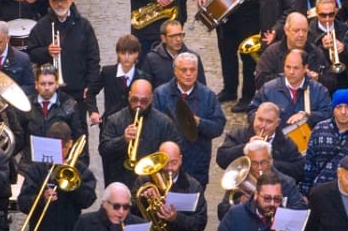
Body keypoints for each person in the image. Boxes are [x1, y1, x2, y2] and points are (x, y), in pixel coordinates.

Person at [25, 0, 101, 129]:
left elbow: (93, 58)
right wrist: (46, 51)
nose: (60, 4)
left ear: (71, 0)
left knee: (79, 131)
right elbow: (31, 53)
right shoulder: (41, 26)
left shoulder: (84, 26)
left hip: (78, 90)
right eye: (56, 1)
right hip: (52, 92)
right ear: (50, 3)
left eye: (63, 0)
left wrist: (91, 86)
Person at [18, 122, 98, 231]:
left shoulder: (79, 169)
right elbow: (23, 203)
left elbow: (88, 200)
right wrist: (41, 198)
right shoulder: (37, 169)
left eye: (63, 147)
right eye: (55, 147)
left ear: (71, 144)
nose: (59, 152)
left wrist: (72, 184)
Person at [153, 52, 227, 186]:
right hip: (167, 166)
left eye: (192, 70)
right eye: (184, 70)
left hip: (197, 166)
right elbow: (153, 128)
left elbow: (218, 126)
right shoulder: (160, 94)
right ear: (175, 71)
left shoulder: (208, 96)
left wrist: (199, 123)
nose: (188, 74)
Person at [98, 78, 183, 188]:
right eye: (134, 100)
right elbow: (103, 149)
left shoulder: (164, 122)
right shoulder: (114, 120)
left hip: (153, 184)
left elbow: (176, 149)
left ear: (151, 99)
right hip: (122, 182)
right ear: (129, 96)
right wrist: (123, 140)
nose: (138, 105)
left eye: (144, 101)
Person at [133, 141, 208, 231]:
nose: (169, 168)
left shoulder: (193, 186)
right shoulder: (144, 182)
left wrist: (176, 218)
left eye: (174, 162)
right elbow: (131, 217)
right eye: (165, 163)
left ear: (181, 159)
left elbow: (199, 224)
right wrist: (143, 200)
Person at [213, 172, 310, 231]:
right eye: (267, 198)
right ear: (256, 195)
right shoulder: (234, 214)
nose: (272, 203)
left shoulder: (289, 218)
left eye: (277, 199)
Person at [300, 88, 348, 192]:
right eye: (339, 107)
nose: (343, 112)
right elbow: (309, 164)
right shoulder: (320, 130)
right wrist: (305, 191)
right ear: (333, 109)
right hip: (321, 192)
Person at [217, 100, 305, 181]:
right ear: (255, 116)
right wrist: (244, 148)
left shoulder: (286, 143)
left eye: (269, 121)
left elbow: (299, 169)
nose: (263, 125)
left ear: (277, 123)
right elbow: (221, 159)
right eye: (260, 119)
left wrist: (270, 164)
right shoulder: (239, 134)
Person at [65, 182, 148, 231]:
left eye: (126, 207)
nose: (121, 212)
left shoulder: (138, 224)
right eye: (116, 206)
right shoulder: (85, 222)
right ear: (104, 203)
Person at [254, 11, 325, 91]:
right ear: (286, 30)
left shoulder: (316, 52)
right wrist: (288, 77)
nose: (301, 34)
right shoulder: (272, 52)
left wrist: (319, 78)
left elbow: (332, 80)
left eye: (304, 30)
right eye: (296, 30)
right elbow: (260, 81)